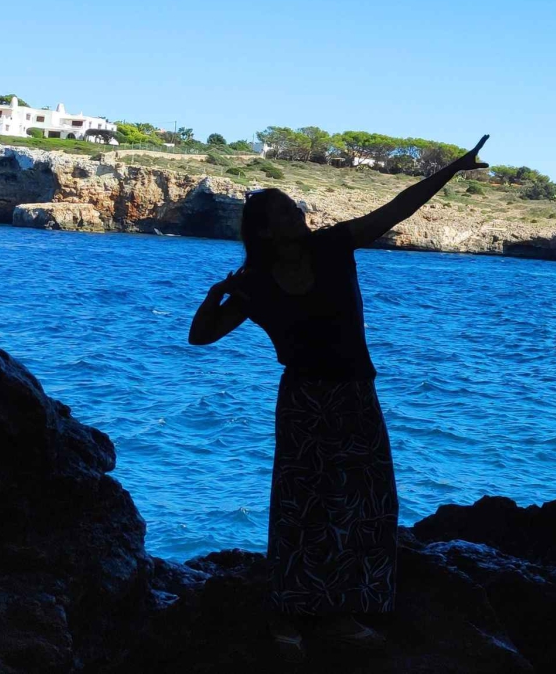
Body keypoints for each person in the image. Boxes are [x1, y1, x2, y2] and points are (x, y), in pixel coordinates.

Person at [187, 135, 489, 661]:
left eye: (295, 207)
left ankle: (342, 611)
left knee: (366, 503)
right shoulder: (254, 283)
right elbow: (201, 336)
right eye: (286, 211)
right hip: (304, 400)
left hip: (354, 393)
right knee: (299, 505)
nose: (299, 213)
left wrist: (453, 170)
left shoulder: (332, 246)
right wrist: (216, 294)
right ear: (264, 228)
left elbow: (396, 208)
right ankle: (287, 609)